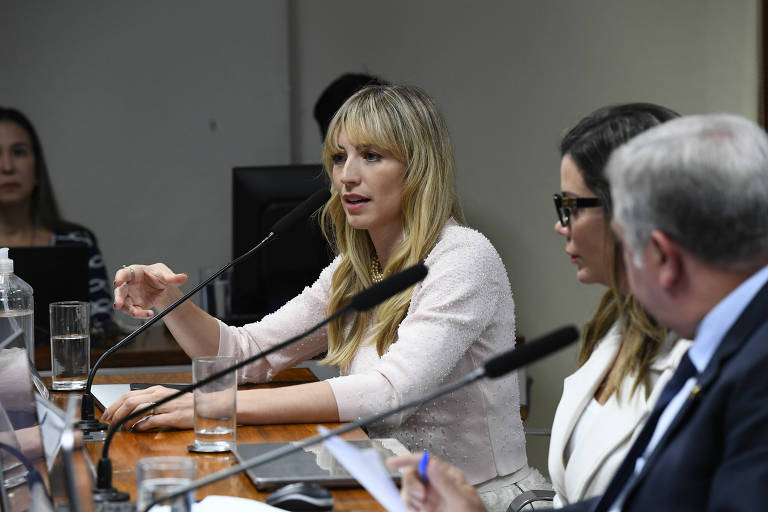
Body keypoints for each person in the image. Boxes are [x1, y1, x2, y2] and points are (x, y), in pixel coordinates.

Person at [104, 85, 547, 507]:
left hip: (474, 500)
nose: (346, 176)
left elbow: (388, 393)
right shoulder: (354, 270)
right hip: (383, 488)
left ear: (418, 168)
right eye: (339, 157)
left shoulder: (464, 257)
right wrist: (169, 301)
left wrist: (212, 405)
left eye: (371, 156)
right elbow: (248, 354)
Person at [393, 113, 768, 511]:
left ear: (662, 256)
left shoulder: (744, 363)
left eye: (629, 243)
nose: (562, 226)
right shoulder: (718, 339)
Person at [547, 104, 691, 506]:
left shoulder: (696, 349)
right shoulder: (612, 321)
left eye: (572, 206)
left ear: (628, 212)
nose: (561, 224)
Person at [0, 107, 114, 333]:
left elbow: (102, 327)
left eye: (19, 152)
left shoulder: (77, 242)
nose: (7, 166)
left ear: (37, 168)